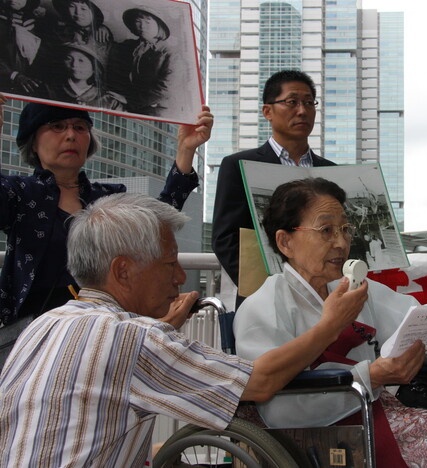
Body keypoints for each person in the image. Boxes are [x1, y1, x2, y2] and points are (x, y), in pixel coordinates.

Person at [0, 192, 367, 467]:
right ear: (123, 270)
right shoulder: (135, 339)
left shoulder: (43, 326)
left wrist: (160, 330)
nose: (179, 277)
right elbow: (260, 383)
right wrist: (330, 325)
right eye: (169, 264)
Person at [234, 178, 427, 468]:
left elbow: (411, 325)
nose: (341, 242)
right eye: (326, 230)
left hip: (372, 411)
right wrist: (369, 376)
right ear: (286, 242)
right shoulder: (265, 304)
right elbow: (278, 410)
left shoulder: (358, 289)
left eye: (345, 229)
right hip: (320, 429)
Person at [0, 95, 212, 365]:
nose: (70, 135)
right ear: (33, 139)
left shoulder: (109, 197)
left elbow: (157, 221)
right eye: (56, 126)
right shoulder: (18, 194)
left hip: (102, 335)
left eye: (80, 127)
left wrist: (185, 150)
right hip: (33, 337)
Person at [212, 70, 335, 295]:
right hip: (265, 296)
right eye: (292, 102)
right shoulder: (238, 165)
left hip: (323, 294)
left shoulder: (331, 172)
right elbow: (225, 238)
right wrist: (265, 290)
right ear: (267, 111)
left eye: (309, 102)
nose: (302, 110)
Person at [107, 7, 174, 116]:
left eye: (148, 21)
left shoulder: (169, 53)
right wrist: (103, 29)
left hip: (155, 110)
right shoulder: (129, 47)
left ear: (159, 25)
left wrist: (130, 100)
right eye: (138, 21)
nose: (142, 26)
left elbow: (165, 89)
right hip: (129, 108)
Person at [48, 42, 123, 109]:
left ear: (94, 67)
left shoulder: (109, 101)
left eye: (81, 60)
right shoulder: (49, 90)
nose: (74, 65)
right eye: (69, 59)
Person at [0, 0, 51, 95]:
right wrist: (14, 75)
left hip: (33, 82)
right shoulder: (3, 22)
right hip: (6, 81)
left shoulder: (40, 23)